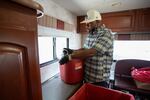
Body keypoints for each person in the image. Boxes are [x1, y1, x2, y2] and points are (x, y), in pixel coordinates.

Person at [59, 10, 113, 88]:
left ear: (98, 21)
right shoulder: (91, 34)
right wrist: (73, 51)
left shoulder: (106, 33)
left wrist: (70, 56)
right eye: (86, 22)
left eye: (90, 22)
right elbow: (85, 49)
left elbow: (92, 52)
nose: (87, 25)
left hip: (99, 80)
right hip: (87, 76)